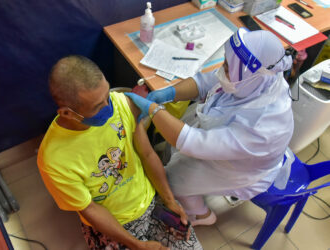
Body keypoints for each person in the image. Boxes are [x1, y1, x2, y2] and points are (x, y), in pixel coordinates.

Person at [125, 28, 294, 226]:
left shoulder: (264, 126)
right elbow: (206, 82)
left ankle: (201, 215)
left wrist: (153, 110)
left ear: (251, 76)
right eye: (225, 63)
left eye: (228, 68)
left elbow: (195, 142)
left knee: (171, 182)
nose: (223, 70)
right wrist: (168, 93)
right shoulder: (254, 78)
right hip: (219, 137)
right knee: (176, 154)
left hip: (240, 170)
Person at [37, 55, 203, 250]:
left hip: (151, 200)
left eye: (107, 95)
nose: (110, 108)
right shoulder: (54, 160)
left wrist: (169, 199)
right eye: (98, 107)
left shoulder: (120, 103)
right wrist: (136, 245)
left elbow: (147, 154)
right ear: (67, 113)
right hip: (116, 223)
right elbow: (90, 208)